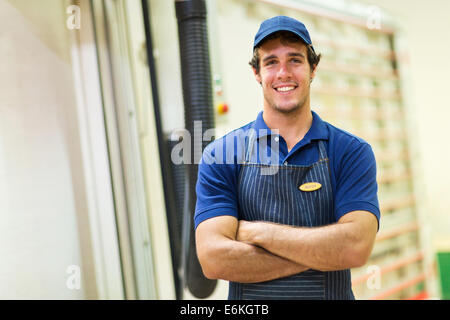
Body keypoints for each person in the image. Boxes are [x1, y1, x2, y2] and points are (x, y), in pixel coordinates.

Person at [194, 15, 380, 299]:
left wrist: (258, 234)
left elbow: (355, 247)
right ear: (256, 72)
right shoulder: (221, 155)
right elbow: (213, 259)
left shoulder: (350, 151)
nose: (283, 73)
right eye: (271, 62)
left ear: (313, 68)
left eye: (295, 60)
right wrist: (324, 254)